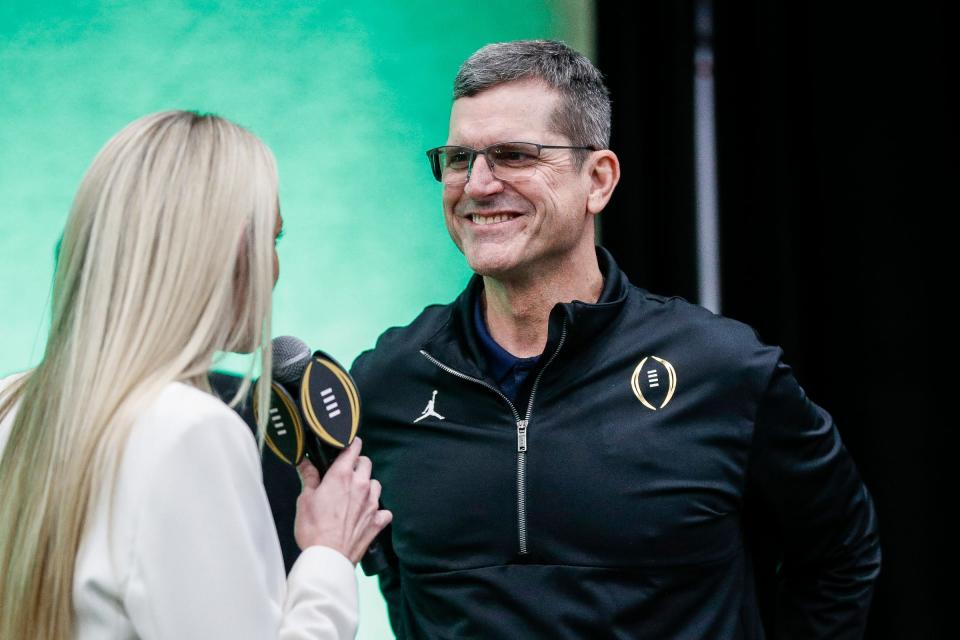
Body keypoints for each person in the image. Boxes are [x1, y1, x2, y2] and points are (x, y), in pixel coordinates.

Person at [350, 40, 881, 639]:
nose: (477, 185)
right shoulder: (387, 381)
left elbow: (840, 551)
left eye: (513, 156)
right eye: (457, 158)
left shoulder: (722, 370)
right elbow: (397, 575)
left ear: (597, 180)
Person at [0, 111, 391, 639]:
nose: (274, 268)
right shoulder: (189, 429)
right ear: (228, 251)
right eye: (272, 240)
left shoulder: (11, 404)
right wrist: (328, 556)